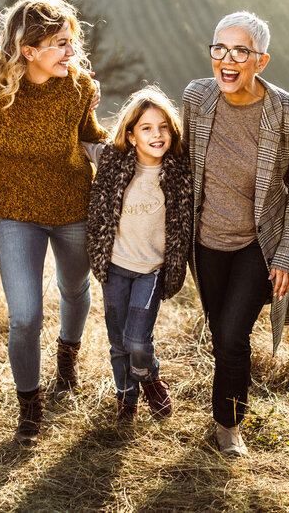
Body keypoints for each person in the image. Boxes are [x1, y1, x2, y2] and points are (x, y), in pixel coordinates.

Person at [0, 0, 108, 447]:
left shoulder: (79, 86)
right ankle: (29, 406)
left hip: (74, 206)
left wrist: (132, 151)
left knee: (75, 288)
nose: (72, 52)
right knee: (26, 314)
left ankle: (67, 358)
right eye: (60, 44)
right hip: (13, 210)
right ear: (27, 50)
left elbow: (91, 136)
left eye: (72, 42)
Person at [182, 11, 289, 457]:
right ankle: (228, 406)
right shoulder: (197, 98)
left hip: (260, 243)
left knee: (234, 334)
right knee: (221, 333)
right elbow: (178, 163)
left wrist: (288, 253)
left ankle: (228, 425)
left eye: (241, 51)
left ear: (261, 61)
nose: (227, 59)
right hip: (205, 243)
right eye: (219, 48)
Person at [86, 87, 192, 425]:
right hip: (115, 266)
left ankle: (149, 377)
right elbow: (80, 141)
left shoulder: (180, 171)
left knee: (136, 340)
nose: (156, 135)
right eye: (146, 128)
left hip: (152, 270)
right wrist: (83, 105)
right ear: (131, 136)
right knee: (118, 344)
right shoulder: (113, 162)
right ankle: (126, 401)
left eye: (163, 127)